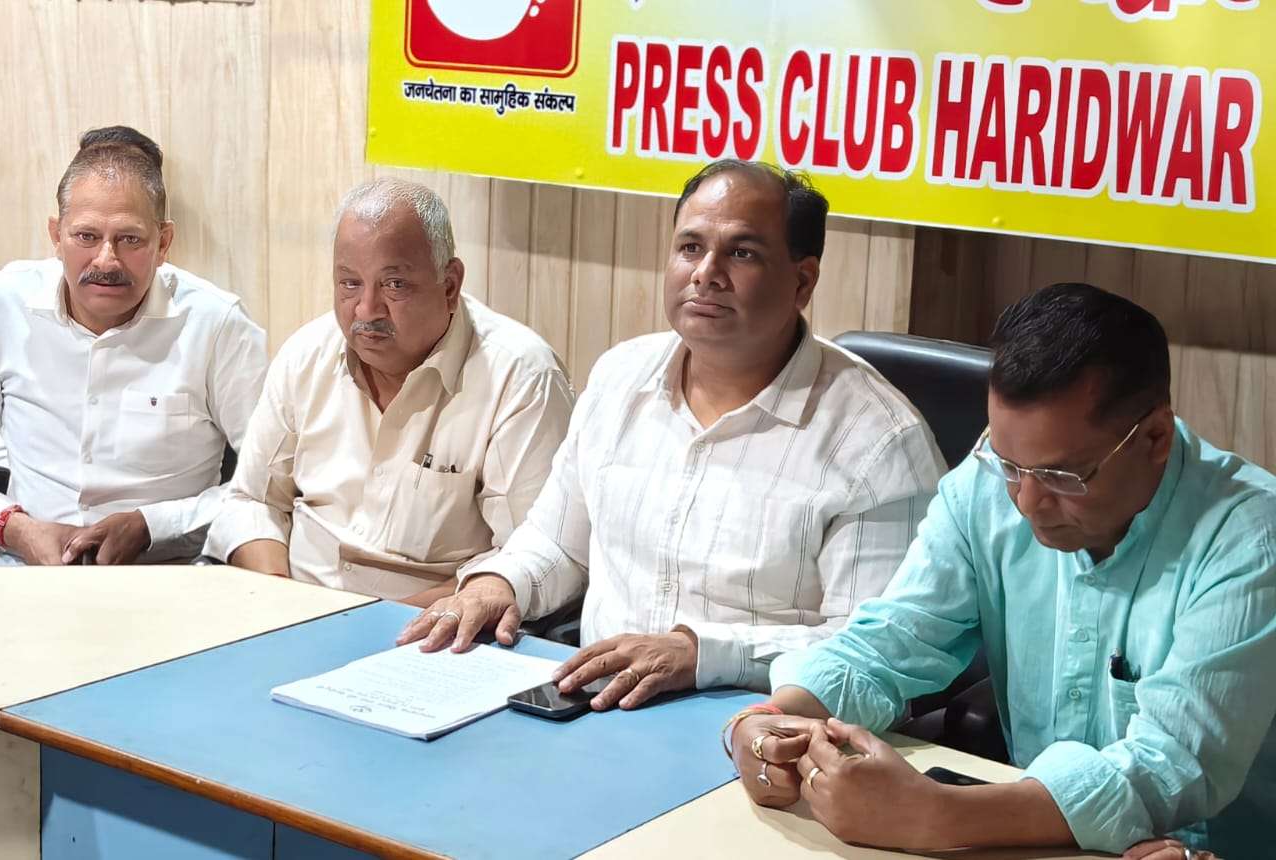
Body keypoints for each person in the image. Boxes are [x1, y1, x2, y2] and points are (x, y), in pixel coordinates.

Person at [730, 283, 1275, 859]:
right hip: (1017, 833)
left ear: (1155, 437)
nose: (1027, 501)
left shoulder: (1250, 536)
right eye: (1010, 463)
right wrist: (770, 720)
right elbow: (892, 640)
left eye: (1063, 477)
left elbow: (1170, 766)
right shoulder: (984, 486)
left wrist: (933, 816)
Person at [403, 160, 945, 710]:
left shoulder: (877, 441)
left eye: (741, 253)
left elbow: (875, 650)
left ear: (801, 281)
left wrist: (702, 655)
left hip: (764, 723)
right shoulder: (621, 378)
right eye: (690, 247)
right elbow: (558, 542)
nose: (706, 273)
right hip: (593, 706)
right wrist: (498, 584)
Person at [203, 178, 573, 605]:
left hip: (429, 629)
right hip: (293, 605)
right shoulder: (307, 354)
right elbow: (252, 501)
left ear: (450, 285)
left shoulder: (520, 377)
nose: (366, 310)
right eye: (349, 283)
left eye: (394, 284)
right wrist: (284, 600)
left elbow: (528, 557)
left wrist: (374, 625)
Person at [0, 139, 267, 564]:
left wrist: (153, 526)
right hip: (26, 573)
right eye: (86, 236)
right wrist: (14, 527)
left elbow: (267, 480)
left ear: (164, 242)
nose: (106, 260)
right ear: (56, 236)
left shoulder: (217, 325)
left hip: (170, 575)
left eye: (130, 239)